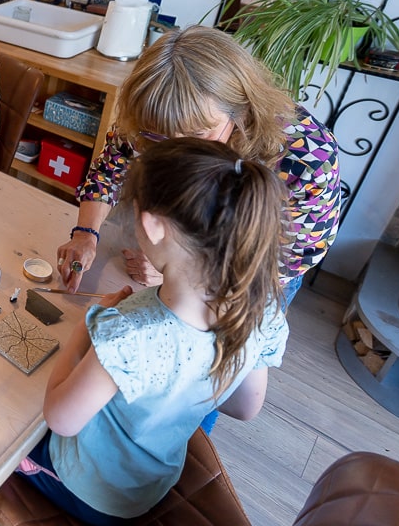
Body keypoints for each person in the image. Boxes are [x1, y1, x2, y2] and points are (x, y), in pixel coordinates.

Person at [17, 138, 290, 524]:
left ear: (150, 225)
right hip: (153, 480)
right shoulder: (265, 310)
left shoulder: (129, 332)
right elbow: (245, 407)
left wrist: (85, 331)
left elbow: (60, 418)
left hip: (92, 493)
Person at [57, 25, 341, 306]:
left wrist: (185, 272)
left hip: (243, 282)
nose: (178, 152)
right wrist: (86, 234)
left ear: (240, 109)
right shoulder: (152, 114)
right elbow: (110, 170)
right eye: (159, 137)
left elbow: (290, 258)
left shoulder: (308, 159)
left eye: (197, 135)